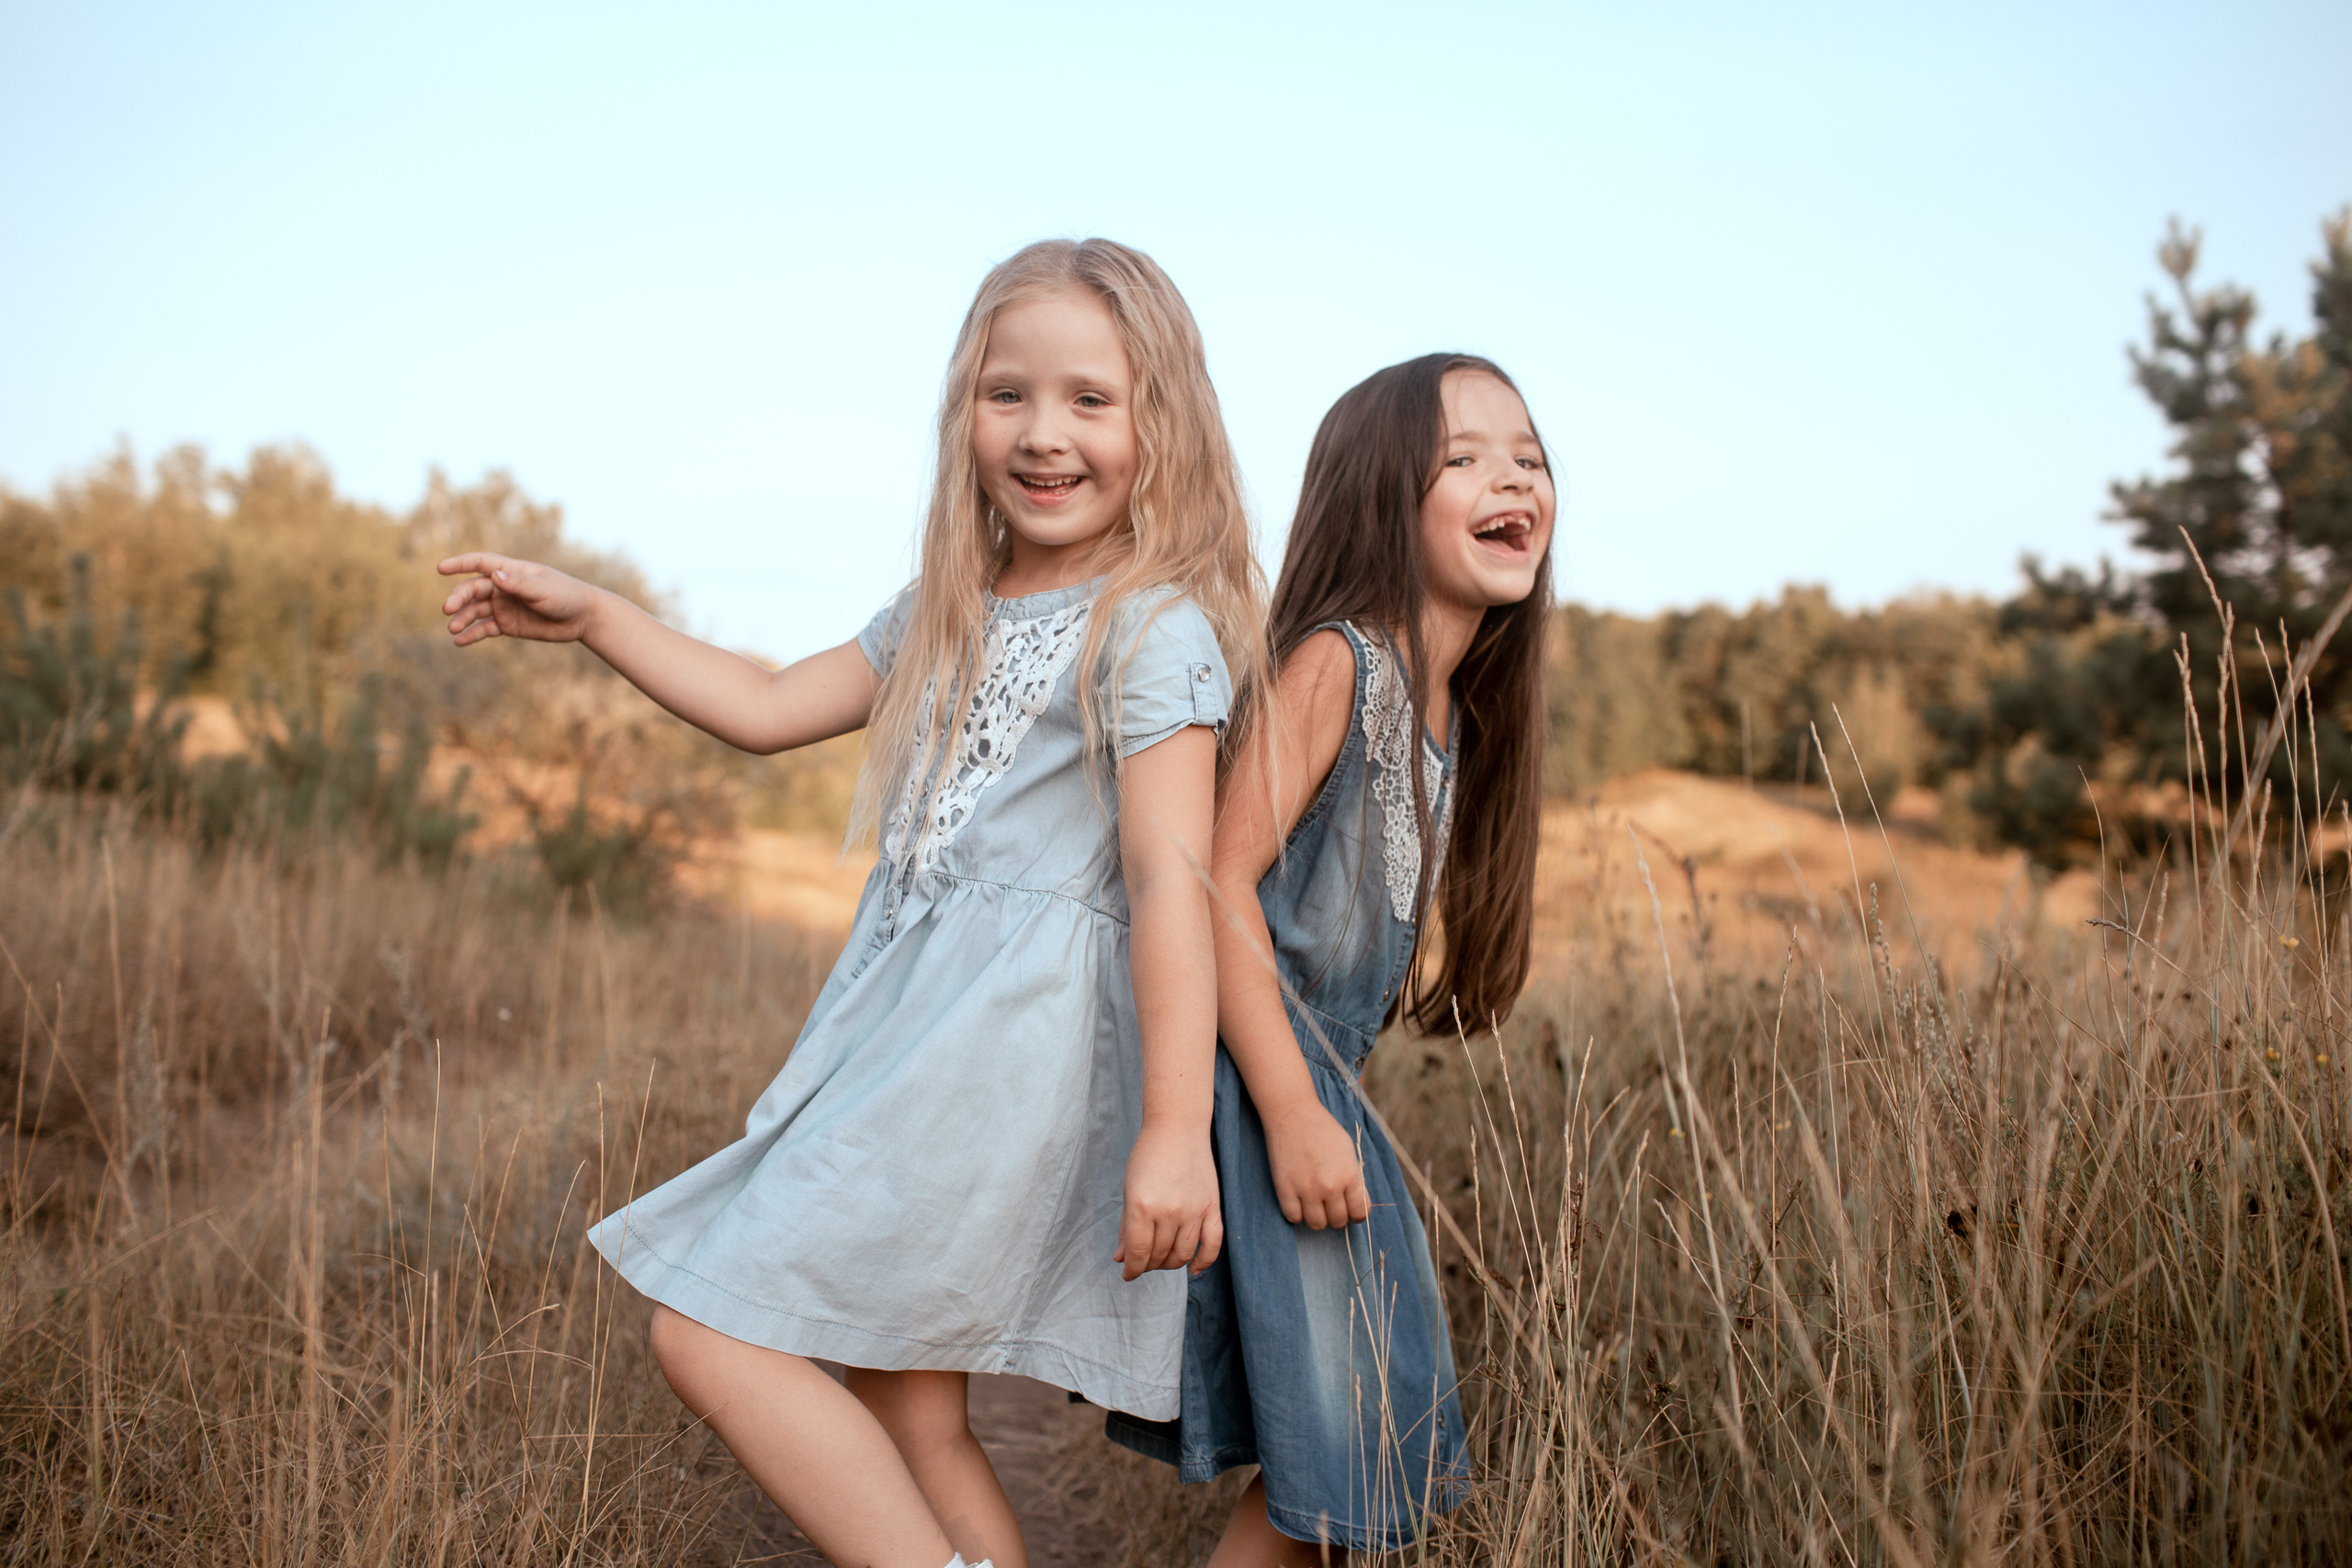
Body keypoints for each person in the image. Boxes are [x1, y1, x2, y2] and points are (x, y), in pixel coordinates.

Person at [435, 239, 1265, 1568]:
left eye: (1091, 401)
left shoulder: (1150, 624)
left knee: (705, 1326)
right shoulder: (946, 607)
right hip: (904, 1038)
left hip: (998, 1056)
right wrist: (599, 616)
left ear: (1162, 423)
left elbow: (1175, 880)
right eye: (1008, 395)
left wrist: (1173, 1129)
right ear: (964, 415)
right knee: (914, 1414)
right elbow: (766, 708)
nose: (1044, 435)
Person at [1108, 354, 1555, 1561]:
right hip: (1270, 1091)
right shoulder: (1341, 664)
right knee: (1346, 1463)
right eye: (1463, 457)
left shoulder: (1450, 711)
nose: (1510, 476)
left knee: (1363, 1458)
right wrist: (1298, 1113)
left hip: (1321, 1094)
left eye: (1527, 455)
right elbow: (1213, 880)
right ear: (1380, 495)